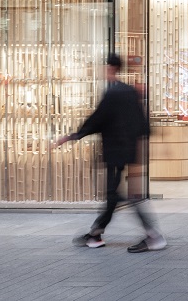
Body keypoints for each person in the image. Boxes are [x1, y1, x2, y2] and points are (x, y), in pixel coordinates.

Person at [54, 53, 166, 253]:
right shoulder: (129, 92)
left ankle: (153, 236)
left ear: (110, 68)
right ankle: (95, 234)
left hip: (115, 151)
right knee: (114, 196)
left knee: (121, 196)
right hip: (127, 150)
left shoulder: (113, 93)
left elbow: (97, 119)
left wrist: (73, 136)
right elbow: (142, 123)